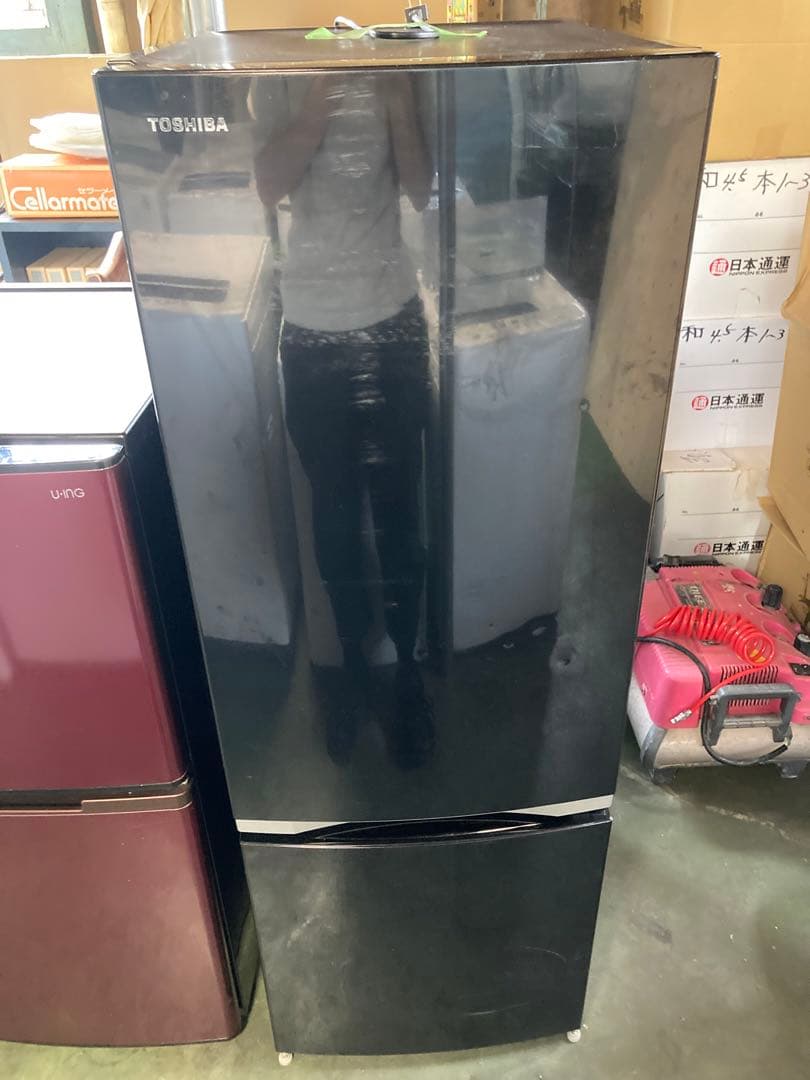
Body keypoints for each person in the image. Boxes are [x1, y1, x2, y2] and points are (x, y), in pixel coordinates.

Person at [254, 72, 435, 767]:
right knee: (333, 514)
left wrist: (399, 105)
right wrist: (313, 107)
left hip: (392, 318)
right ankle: (353, 670)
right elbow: (268, 186)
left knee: (398, 511)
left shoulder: (401, 76)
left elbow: (421, 190)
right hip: (310, 327)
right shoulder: (278, 81)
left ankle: (407, 672)